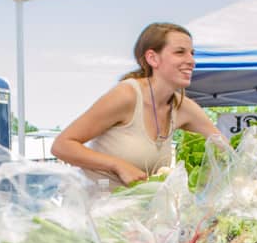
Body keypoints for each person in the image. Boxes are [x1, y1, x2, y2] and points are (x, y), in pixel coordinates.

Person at [51, 22, 222, 186]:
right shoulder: (126, 95)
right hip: (97, 208)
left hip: (139, 212)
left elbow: (225, 150)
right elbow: (62, 145)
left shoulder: (183, 107)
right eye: (180, 52)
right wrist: (117, 165)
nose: (191, 60)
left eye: (192, 53)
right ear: (152, 58)